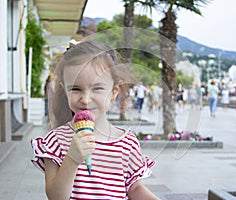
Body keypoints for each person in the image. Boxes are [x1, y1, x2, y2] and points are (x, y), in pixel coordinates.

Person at [31, 40, 158, 200]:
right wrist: (72, 159)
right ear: (65, 91)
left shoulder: (128, 143)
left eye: (97, 88)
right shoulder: (56, 141)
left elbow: (135, 188)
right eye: (76, 89)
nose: (85, 99)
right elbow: (55, 196)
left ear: (114, 92)